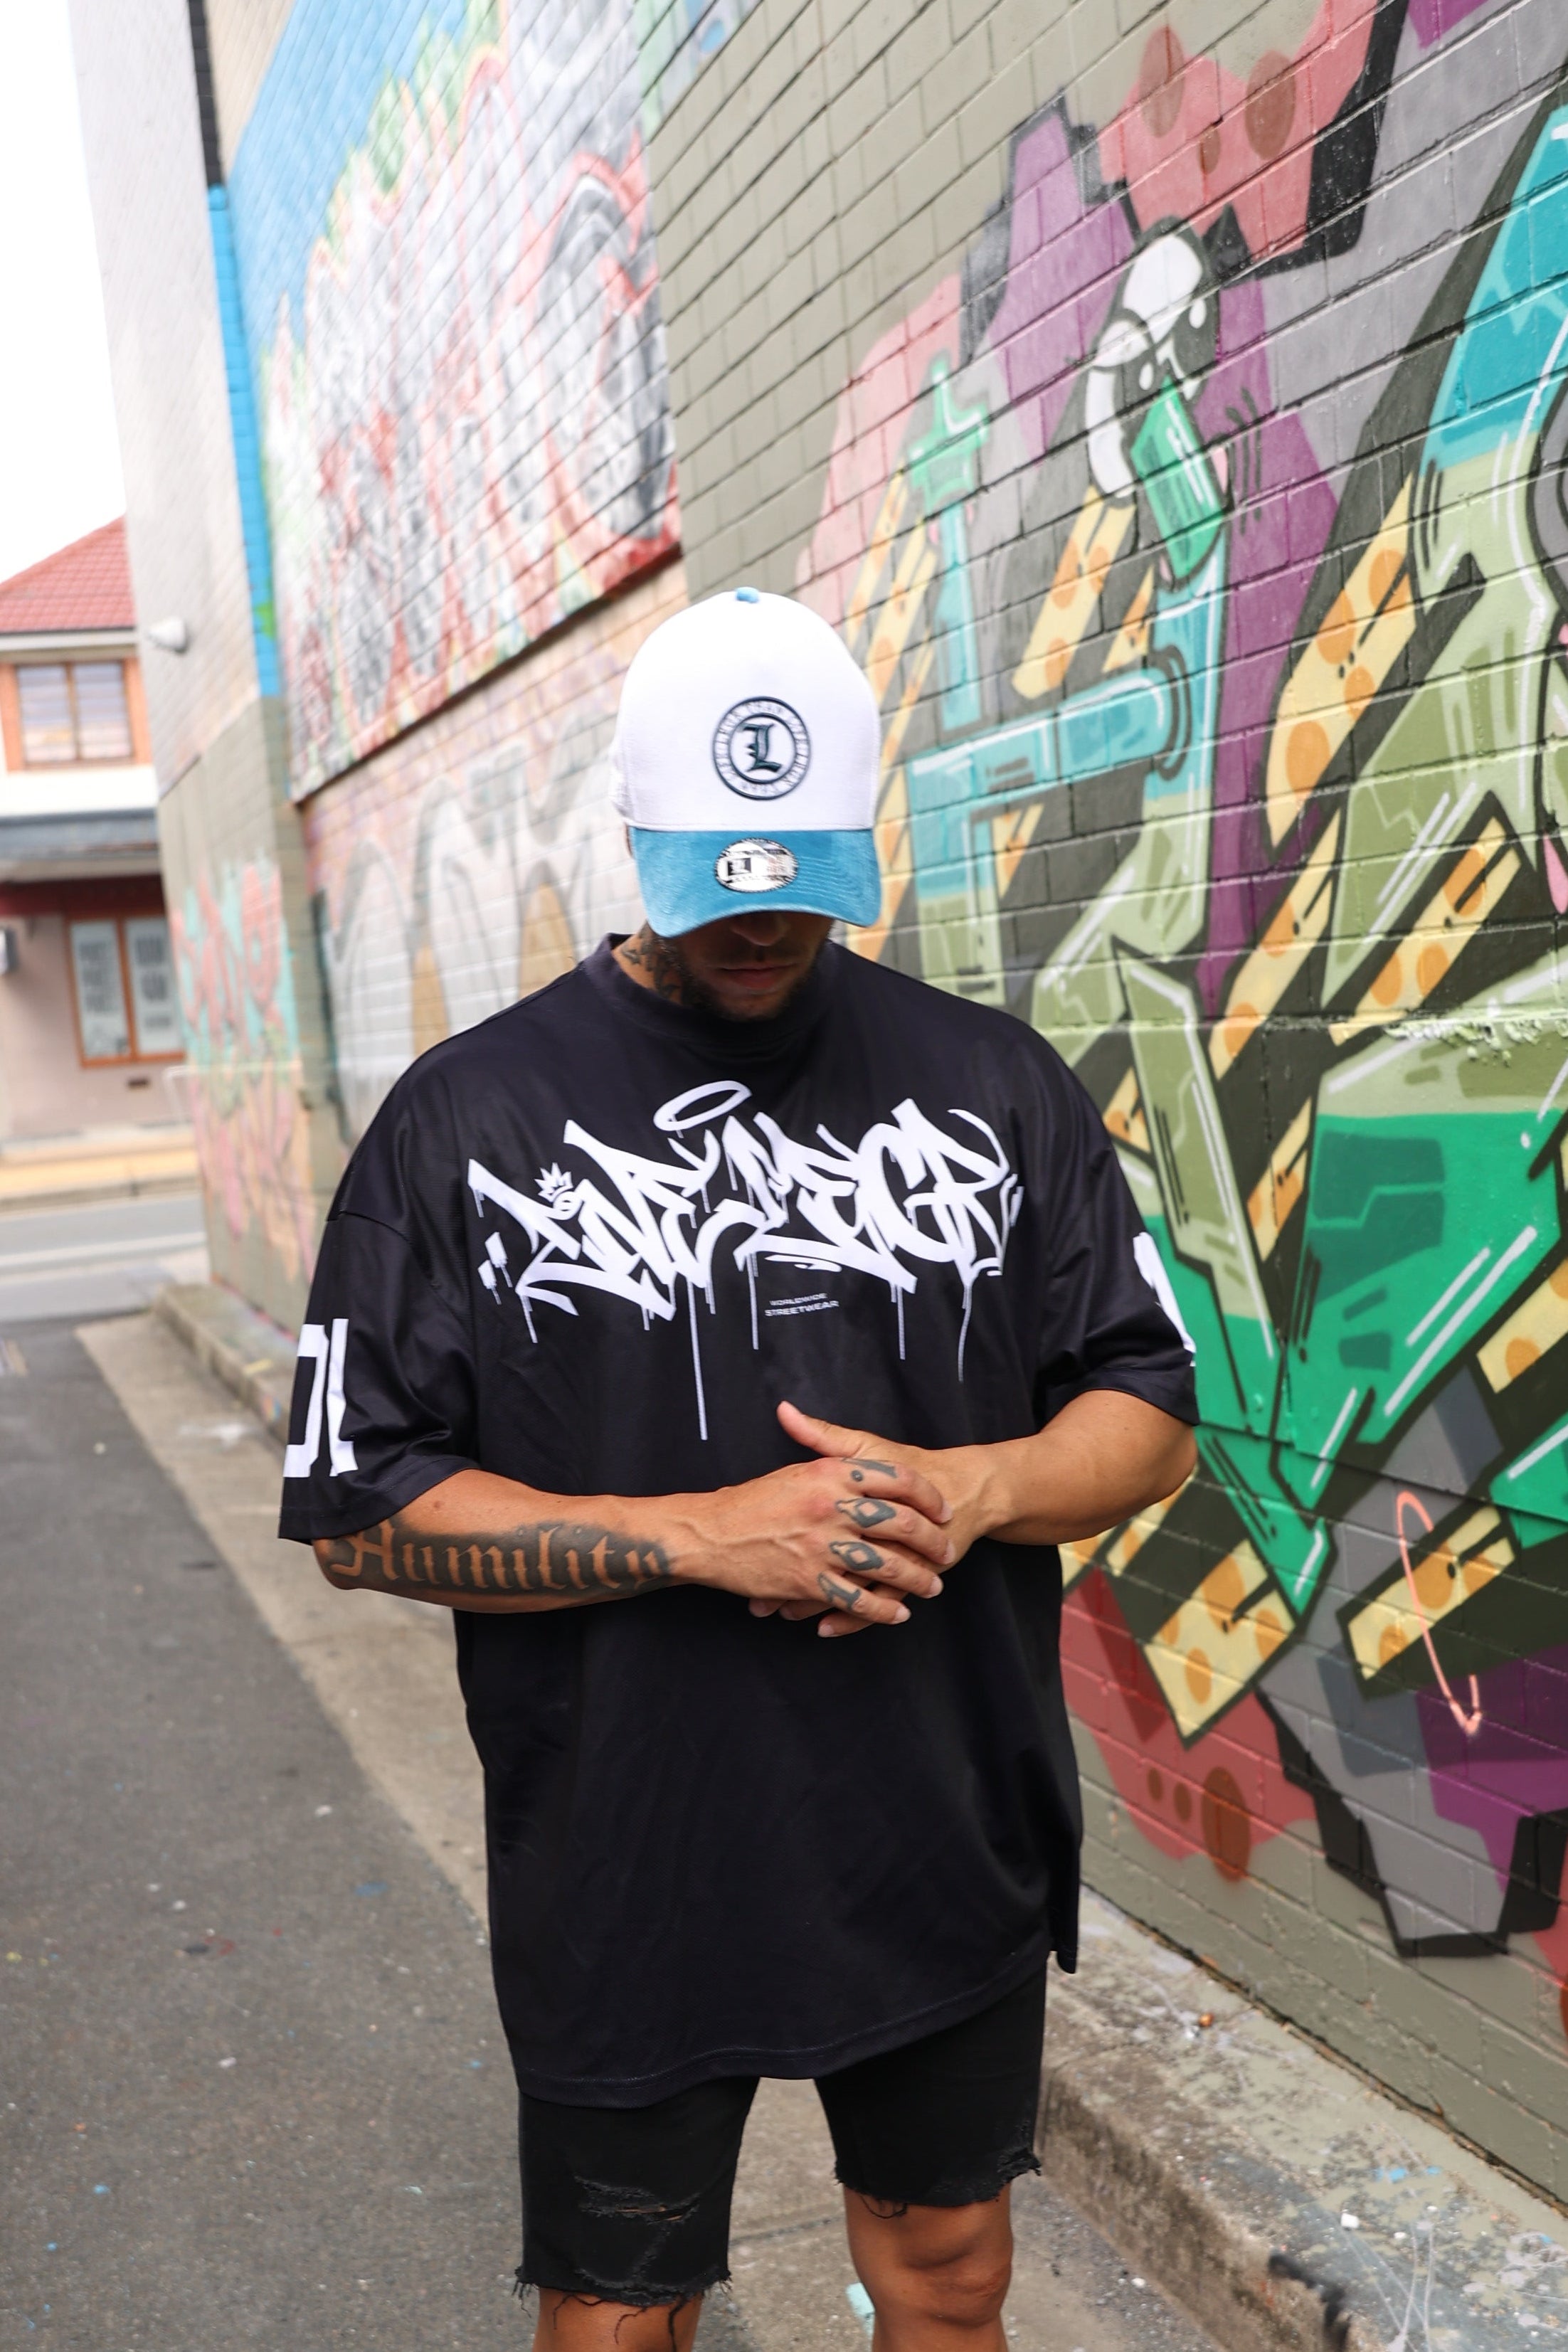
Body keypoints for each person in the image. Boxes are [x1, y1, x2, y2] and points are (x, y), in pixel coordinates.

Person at [278, 588, 1198, 2352]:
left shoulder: (993, 1089)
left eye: (800, 880)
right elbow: (358, 1512)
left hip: (939, 1823)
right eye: (718, 880)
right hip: (631, 1852)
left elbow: (1146, 1402)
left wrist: (978, 1489)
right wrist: (704, 1538)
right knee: (618, 2314)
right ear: (636, 837)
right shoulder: (466, 1123)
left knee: (947, 2280)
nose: (761, 925)